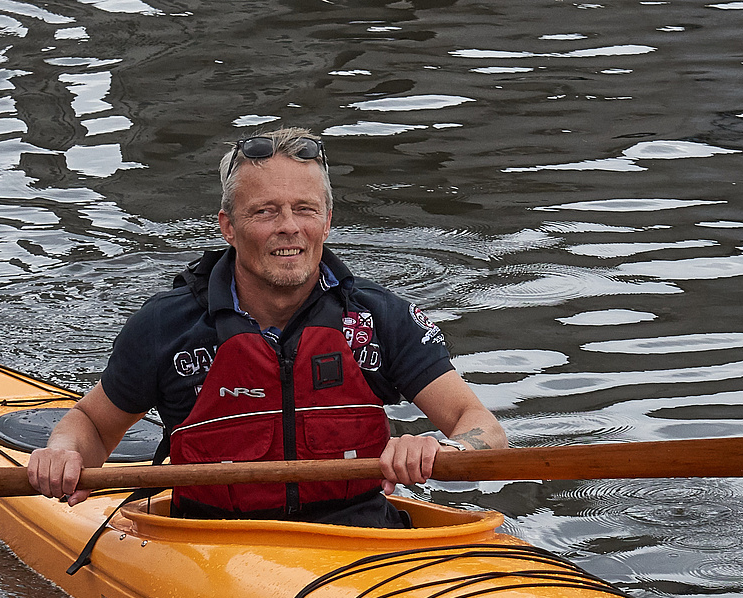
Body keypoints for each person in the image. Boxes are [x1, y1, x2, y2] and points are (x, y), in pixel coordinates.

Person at [28, 126, 507, 526]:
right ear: (228, 227)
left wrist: (443, 450)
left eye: (305, 209)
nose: (289, 227)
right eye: (265, 211)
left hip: (360, 536)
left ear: (327, 221)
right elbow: (92, 425)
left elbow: (482, 427)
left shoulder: (381, 319)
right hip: (210, 545)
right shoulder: (165, 326)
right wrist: (64, 453)